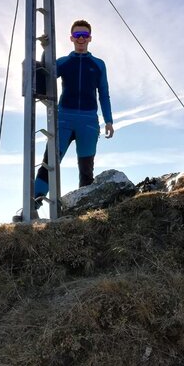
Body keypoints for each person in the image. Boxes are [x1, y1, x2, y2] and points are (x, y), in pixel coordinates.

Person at [15, 19, 114, 221]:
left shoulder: (98, 64)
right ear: (71, 38)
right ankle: (31, 207)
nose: (81, 39)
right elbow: (45, 71)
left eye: (84, 35)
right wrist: (45, 49)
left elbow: (104, 93)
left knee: (86, 169)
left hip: (88, 122)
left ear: (90, 38)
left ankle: (85, 213)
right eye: (77, 35)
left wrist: (109, 121)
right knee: (49, 163)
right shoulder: (63, 62)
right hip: (64, 119)